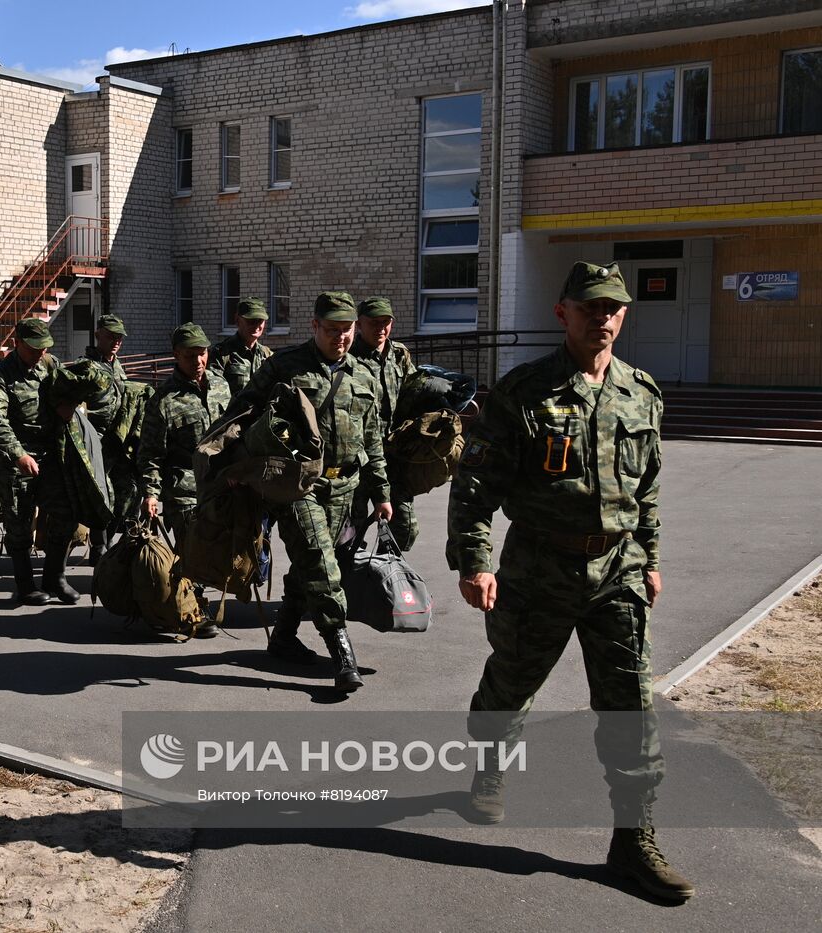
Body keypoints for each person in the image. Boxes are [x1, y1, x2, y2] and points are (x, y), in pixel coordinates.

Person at [448, 261, 692, 901]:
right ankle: (489, 770)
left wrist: (652, 555)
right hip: (538, 570)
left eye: (612, 308)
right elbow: (475, 485)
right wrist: (475, 561)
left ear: (624, 316)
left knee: (630, 706)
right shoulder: (524, 392)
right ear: (564, 314)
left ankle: (632, 838)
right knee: (511, 681)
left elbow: (648, 490)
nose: (601, 318)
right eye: (588, 307)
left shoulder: (641, 394)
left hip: (618, 572)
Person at [231, 292, 392, 692]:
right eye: (332, 330)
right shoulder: (284, 367)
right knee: (321, 565)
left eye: (347, 330)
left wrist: (381, 493)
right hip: (298, 486)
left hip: (346, 489)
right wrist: (238, 464)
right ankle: (342, 653)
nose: (341, 337)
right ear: (314, 326)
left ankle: (283, 637)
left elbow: (372, 442)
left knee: (313, 565)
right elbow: (242, 411)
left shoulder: (363, 376)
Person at [0, 317, 73, 605]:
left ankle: (55, 578)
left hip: (51, 457)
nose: (40, 354)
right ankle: (25, 585)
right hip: (16, 462)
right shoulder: (1, 375)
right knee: (19, 526)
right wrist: (19, 454)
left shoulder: (50, 365)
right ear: (17, 343)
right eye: (34, 348)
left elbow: (66, 395)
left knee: (65, 515)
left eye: (44, 348)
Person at [139, 323, 231, 543]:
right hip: (185, 496)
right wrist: (150, 494)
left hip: (224, 488)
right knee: (194, 563)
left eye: (202, 354)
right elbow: (150, 454)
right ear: (176, 355)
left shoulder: (221, 386)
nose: (198, 362)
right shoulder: (163, 400)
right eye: (190, 356)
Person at [350, 296, 418, 549]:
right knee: (350, 532)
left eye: (386, 322)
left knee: (405, 527)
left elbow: (413, 392)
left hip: (393, 455)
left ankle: (382, 570)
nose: (381, 328)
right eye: (374, 323)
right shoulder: (348, 357)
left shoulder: (399, 354)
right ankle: (350, 578)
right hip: (359, 458)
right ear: (359, 324)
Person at [74, 314, 135, 541]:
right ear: (98, 334)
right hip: (95, 440)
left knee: (128, 490)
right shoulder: (86, 366)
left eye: (119, 337)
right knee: (101, 494)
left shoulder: (116, 365)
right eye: (111, 336)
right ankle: (100, 549)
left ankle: (111, 540)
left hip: (117, 440)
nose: (116, 341)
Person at [212, 296, 273, 394]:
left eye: (260, 321)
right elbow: (214, 393)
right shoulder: (221, 353)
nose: (256, 326)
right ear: (237, 320)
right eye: (251, 321)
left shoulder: (268, 355)